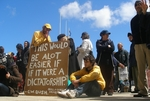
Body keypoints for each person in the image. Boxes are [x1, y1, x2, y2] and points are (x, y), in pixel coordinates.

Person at [130, 0, 150, 97]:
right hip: (138, 45)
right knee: (140, 69)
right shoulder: (133, 20)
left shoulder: (148, 15)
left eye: (139, 4)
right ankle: (143, 90)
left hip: (148, 44)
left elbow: (146, 26)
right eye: (136, 5)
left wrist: (144, 12)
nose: (138, 6)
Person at [96, 30, 115, 95]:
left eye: (108, 35)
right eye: (106, 34)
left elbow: (112, 49)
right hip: (101, 61)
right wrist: (107, 47)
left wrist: (104, 48)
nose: (108, 36)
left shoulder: (111, 42)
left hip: (110, 62)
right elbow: (99, 48)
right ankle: (103, 89)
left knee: (110, 76)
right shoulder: (98, 41)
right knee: (102, 76)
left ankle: (110, 90)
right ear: (102, 35)